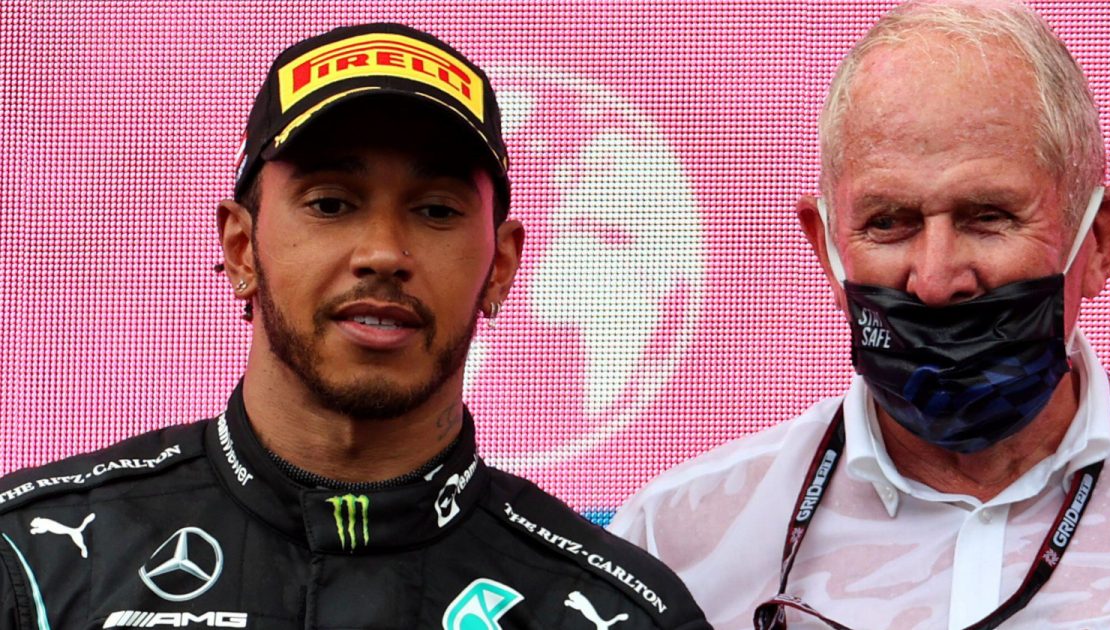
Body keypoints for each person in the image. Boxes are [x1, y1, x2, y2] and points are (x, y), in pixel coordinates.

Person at [0, 23, 710, 629]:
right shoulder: (34, 562)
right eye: (332, 203)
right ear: (241, 247)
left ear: (500, 266)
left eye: (435, 210)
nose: (382, 254)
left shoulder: (615, 611)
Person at [610, 2, 1110, 628]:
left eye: (988, 216)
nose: (937, 279)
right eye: (888, 223)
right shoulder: (670, 544)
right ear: (828, 250)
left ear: (1100, 243)